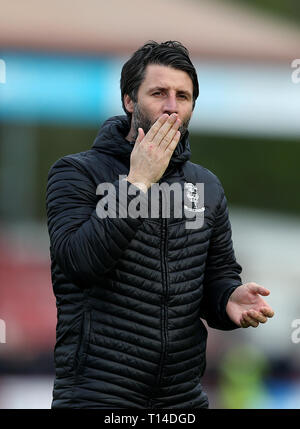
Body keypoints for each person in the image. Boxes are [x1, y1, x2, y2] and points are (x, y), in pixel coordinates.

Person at [46, 40, 274, 409]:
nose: (172, 106)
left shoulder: (207, 186)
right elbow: (79, 264)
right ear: (129, 101)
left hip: (182, 400)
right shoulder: (76, 173)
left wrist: (229, 299)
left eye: (183, 96)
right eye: (158, 93)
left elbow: (217, 277)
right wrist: (137, 183)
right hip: (97, 396)